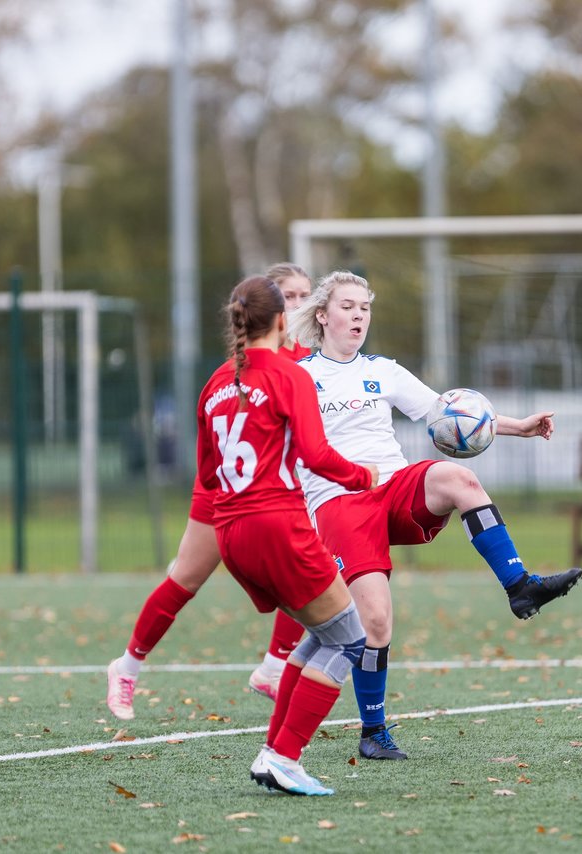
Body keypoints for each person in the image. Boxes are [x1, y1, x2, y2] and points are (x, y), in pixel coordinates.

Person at [276, 270, 582, 761]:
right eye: (348, 306)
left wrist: (517, 427)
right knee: (375, 623)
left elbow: (447, 413)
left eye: (365, 308)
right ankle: (373, 733)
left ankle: (519, 586)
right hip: (337, 503)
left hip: (392, 488)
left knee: (458, 479)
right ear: (322, 315)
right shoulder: (299, 377)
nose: (359, 316)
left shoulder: (383, 369)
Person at [195, 274, 377, 795]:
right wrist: (366, 477)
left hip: (230, 535)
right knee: (352, 640)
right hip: (275, 526)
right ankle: (286, 756)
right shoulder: (290, 374)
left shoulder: (214, 384)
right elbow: (317, 457)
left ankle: (274, 755)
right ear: (281, 321)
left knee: (322, 632)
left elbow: (208, 477)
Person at [106, 264, 312, 721]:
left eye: (305, 295)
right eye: (290, 297)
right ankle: (127, 666)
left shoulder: (312, 364)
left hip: (281, 494)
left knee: (310, 575)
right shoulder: (240, 371)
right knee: (185, 580)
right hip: (227, 491)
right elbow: (214, 454)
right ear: (273, 310)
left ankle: (275, 666)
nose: (299, 305)